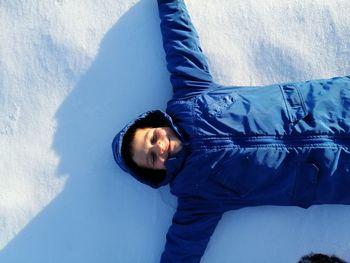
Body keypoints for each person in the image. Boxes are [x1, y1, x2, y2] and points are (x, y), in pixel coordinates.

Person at [112, 0, 350, 262]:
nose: (158, 148)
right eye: (151, 158)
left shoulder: (190, 94)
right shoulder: (196, 196)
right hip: (336, 174)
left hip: (335, 105)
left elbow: (179, 42)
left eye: (152, 138)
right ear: (154, 172)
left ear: (158, 124)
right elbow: (182, 248)